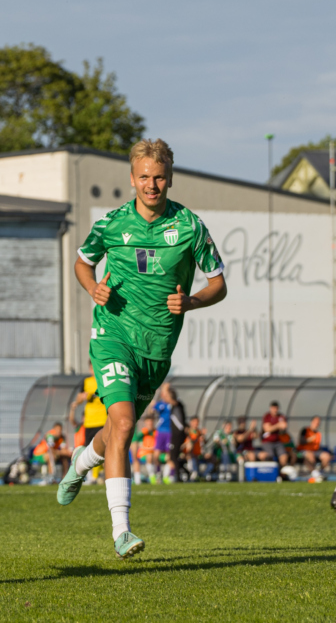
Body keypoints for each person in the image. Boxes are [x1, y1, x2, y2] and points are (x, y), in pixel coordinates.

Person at [58, 138, 227, 559]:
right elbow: (82, 261)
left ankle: (81, 462)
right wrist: (91, 286)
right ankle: (121, 531)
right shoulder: (112, 224)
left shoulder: (189, 227)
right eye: (144, 177)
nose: (151, 185)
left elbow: (218, 284)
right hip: (113, 334)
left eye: (159, 177)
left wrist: (191, 300)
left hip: (157, 347)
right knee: (125, 421)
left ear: (169, 179)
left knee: (117, 429)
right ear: (132, 179)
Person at [70, 366, 107, 482]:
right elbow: (79, 399)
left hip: (103, 420)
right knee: (90, 449)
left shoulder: (104, 380)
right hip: (90, 421)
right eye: (92, 368)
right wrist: (82, 397)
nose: (93, 370)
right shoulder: (86, 382)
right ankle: (93, 475)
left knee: (104, 449)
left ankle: (99, 475)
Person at [165, 385, 188, 483]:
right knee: (174, 456)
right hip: (174, 434)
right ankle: (186, 472)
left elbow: (181, 422)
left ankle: (178, 477)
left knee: (173, 456)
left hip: (178, 435)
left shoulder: (178, 405)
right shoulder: (172, 407)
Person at [259, 402, 289, 466]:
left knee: (284, 456)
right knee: (270, 456)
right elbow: (267, 429)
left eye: (276, 408)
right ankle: (271, 472)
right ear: (270, 408)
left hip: (278, 441)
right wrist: (278, 425)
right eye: (273, 408)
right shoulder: (267, 416)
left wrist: (280, 427)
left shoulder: (281, 416)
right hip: (267, 441)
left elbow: (284, 426)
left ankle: (281, 472)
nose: (275, 410)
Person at [150, 394, 172, 484]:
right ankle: (158, 474)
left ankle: (166, 476)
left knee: (169, 455)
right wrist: (152, 405)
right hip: (160, 432)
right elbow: (151, 412)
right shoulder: (160, 404)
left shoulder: (173, 404)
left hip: (170, 432)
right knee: (156, 455)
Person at [183, 416, 205, 481]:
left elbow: (204, 443)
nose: (196, 424)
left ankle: (202, 476)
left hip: (198, 454)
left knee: (212, 459)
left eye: (197, 422)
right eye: (195, 422)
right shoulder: (188, 432)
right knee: (191, 456)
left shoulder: (199, 432)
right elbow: (188, 443)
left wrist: (203, 438)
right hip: (188, 455)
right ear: (191, 422)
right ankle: (193, 474)